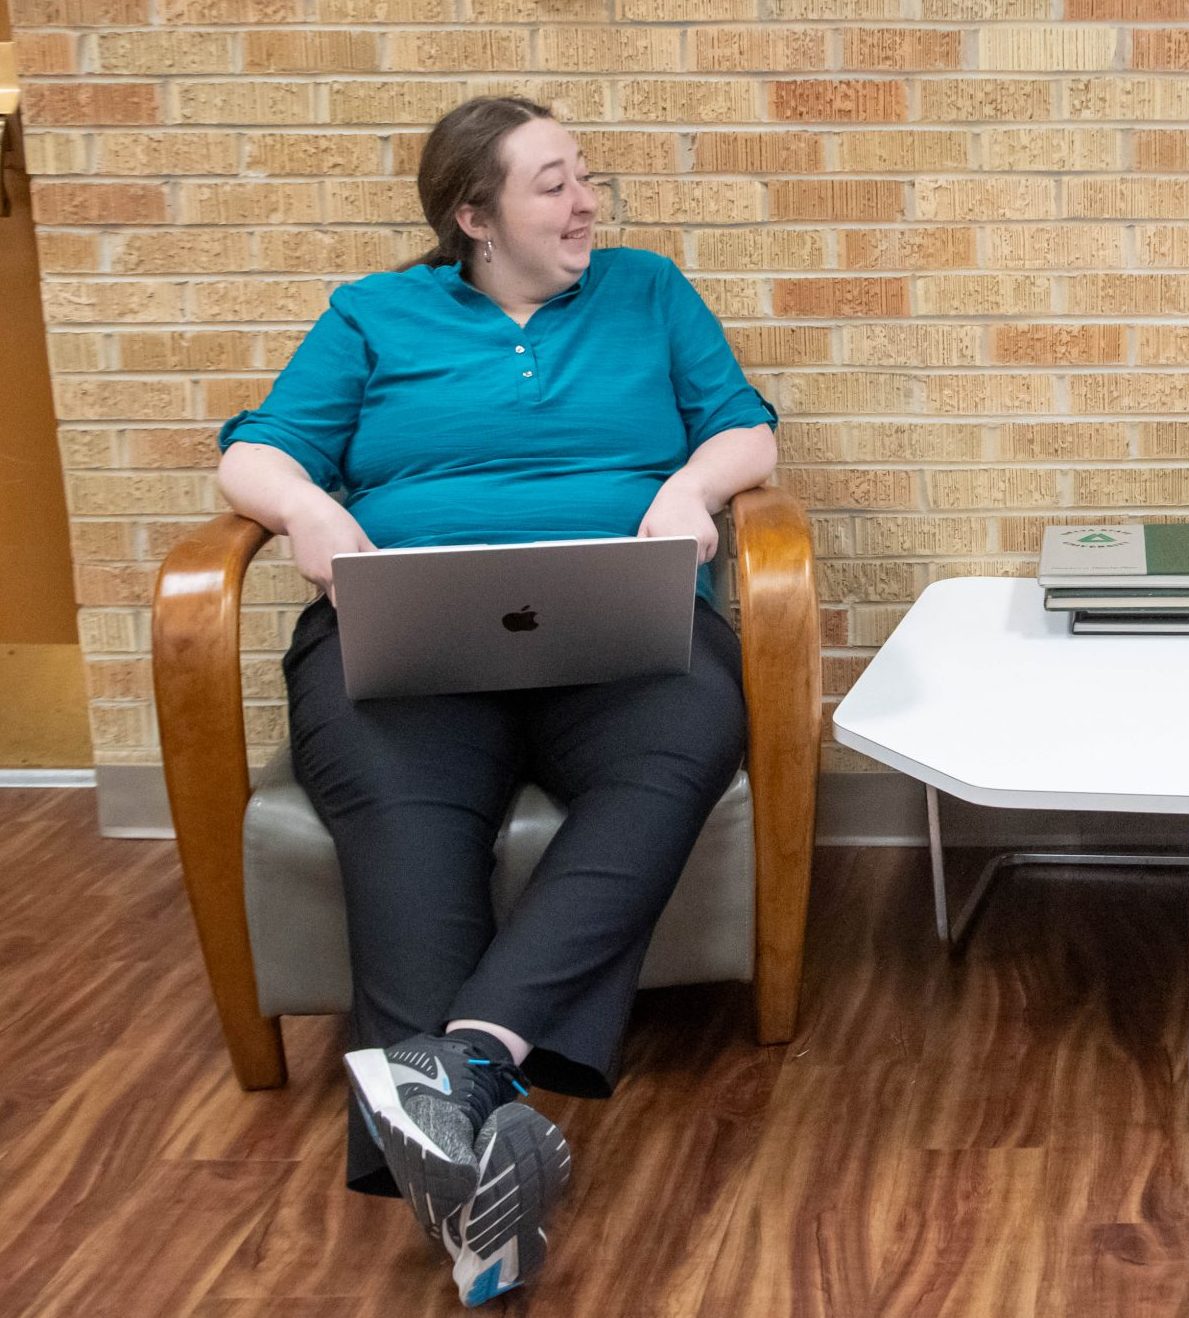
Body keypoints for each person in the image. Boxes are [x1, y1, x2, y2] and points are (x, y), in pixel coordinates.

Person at [213, 96, 778, 1303]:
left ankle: (464, 1067)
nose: (586, 205)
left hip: (622, 635)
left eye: (585, 179)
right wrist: (310, 511)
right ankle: (476, 1173)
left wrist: (688, 488)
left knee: (672, 755)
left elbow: (746, 432)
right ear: (472, 216)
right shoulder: (373, 313)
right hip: (415, 636)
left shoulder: (646, 291)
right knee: (409, 831)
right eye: (554, 184)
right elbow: (254, 452)